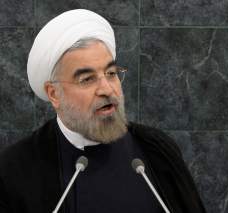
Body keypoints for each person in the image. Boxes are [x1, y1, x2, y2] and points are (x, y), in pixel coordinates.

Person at [0, 9, 206, 213]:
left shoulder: (157, 150)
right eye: (87, 79)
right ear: (54, 94)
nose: (107, 89)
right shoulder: (16, 169)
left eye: (111, 73)